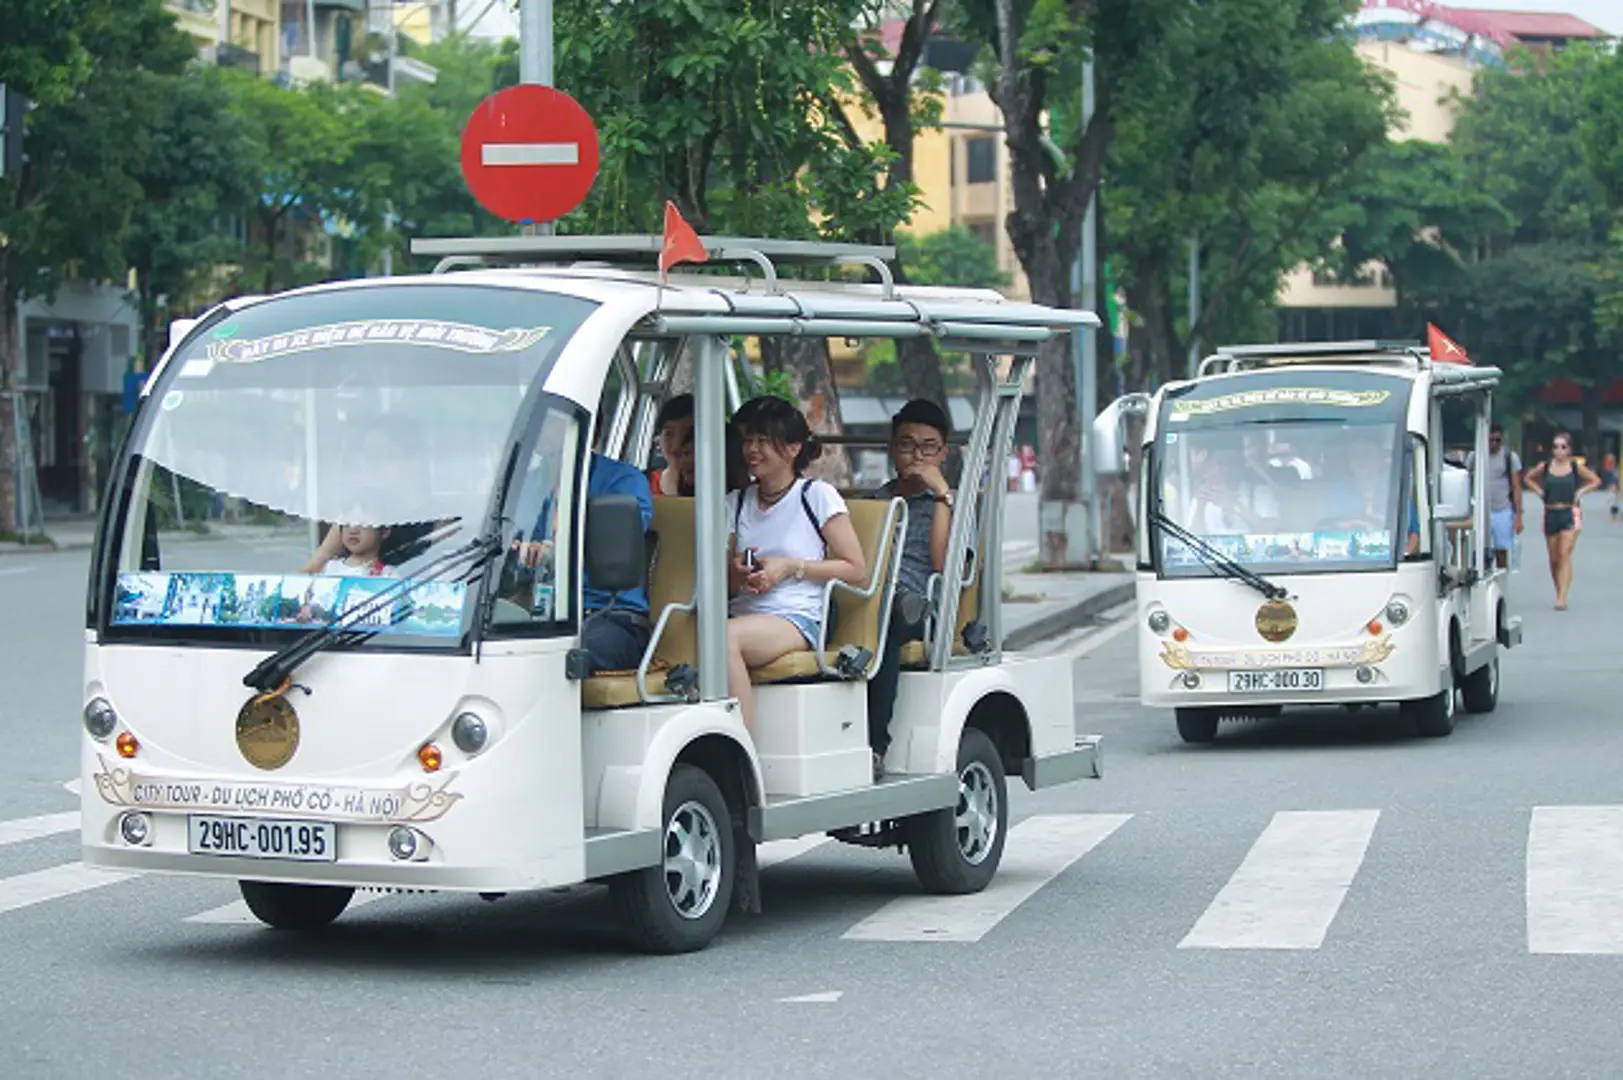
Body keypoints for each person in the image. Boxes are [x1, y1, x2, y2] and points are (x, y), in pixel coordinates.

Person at [725, 397, 866, 733]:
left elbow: (856, 570)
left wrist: (790, 568)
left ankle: (741, 746)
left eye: (763, 441)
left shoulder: (815, 496)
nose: (752, 450)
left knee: (722, 639)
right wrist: (738, 574)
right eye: (748, 440)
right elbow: (725, 580)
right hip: (743, 612)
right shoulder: (736, 501)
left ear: (792, 449)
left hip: (796, 616)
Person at [865, 400, 960, 779]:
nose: (917, 455)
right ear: (892, 448)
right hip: (872, 595)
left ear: (943, 453)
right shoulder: (877, 500)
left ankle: (876, 745)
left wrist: (940, 497)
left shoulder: (953, 505)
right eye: (906, 444)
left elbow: (944, 565)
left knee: (884, 615)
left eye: (928, 447)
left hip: (921, 608)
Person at [518, 452, 655, 670]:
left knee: (562, 654)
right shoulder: (528, 480)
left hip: (609, 615)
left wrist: (556, 548)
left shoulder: (623, 479)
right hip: (543, 612)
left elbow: (619, 537)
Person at [1524, 431, 1602, 611]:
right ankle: (1559, 589)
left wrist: (1580, 492)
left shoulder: (1574, 467)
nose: (1559, 451)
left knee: (1564, 553)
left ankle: (1562, 598)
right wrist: (1540, 492)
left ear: (1569, 450)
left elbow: (1595, 480)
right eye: (1556, 447)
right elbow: (1528, 478)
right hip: (1551, 512)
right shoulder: (1545, 467)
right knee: (1554, 558)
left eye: (1563, 447)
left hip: (1570, 512)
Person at [1466, 424, 1523, 570]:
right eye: (1491, 440)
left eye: (1498, 440)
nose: (1494, 444)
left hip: (1502, 508)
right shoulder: (1475, 456)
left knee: (1501, 551)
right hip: (1480, 509)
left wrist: (1518, 517)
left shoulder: (1509, 457)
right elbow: (1466, 481)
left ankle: (1501, 581)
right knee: (1479, 551)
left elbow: (1516, 487)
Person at [649, 394, 695, 496]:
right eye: (669, 434)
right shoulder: (644, 485)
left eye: (687, 433)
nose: (677, 444)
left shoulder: (721, 490)